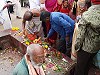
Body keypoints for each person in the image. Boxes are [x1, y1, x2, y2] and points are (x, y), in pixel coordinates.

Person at [74, 1, 100, 75]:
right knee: (87, 66)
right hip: (96, 47)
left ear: (92, 2)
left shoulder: (86, 15)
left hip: (85, 48)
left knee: (79, 69)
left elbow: (80, 35)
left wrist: (77, 48)